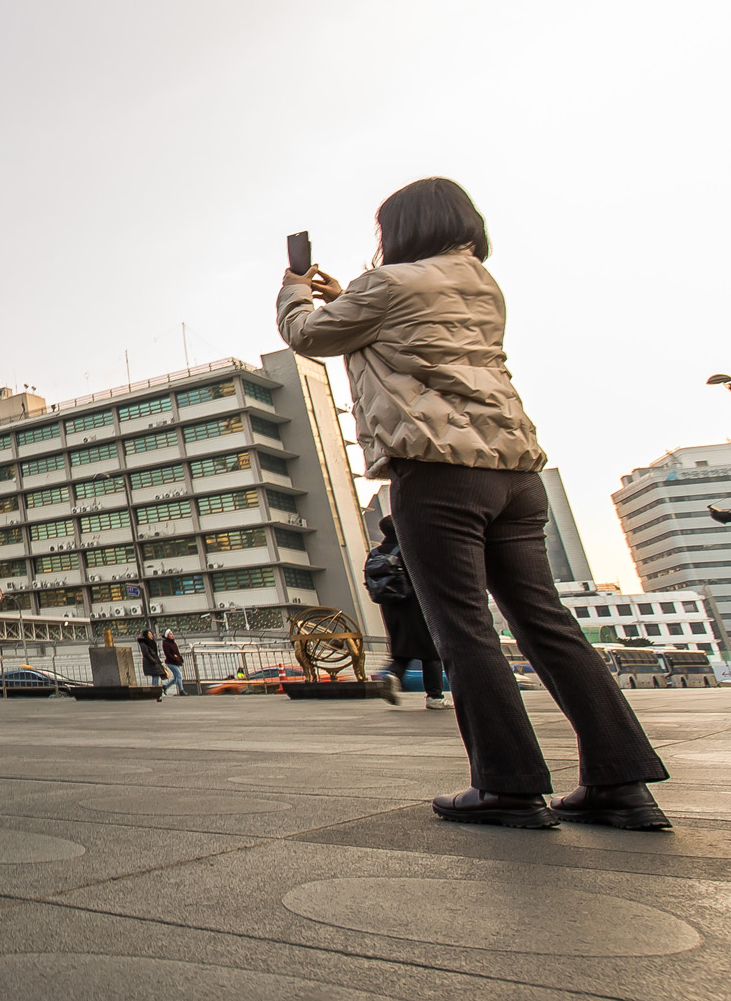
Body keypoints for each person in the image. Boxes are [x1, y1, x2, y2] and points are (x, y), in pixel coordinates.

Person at [278, 178, 668, 829]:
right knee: (548, 625)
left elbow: (308, 335)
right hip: (514, 473)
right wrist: (350, 297)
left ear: (403, 228)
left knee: (464, 629)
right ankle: (621, 783)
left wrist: (295, 287)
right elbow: (419, 338)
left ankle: (508, 787)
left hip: (439, 474)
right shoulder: (481, 284)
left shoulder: (389, 284)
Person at [363, 516, 449, 710]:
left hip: (390, 608)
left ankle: (393, 675)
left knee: (402, 649)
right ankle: (435, 697)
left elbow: (370, 582)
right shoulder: (408, 549)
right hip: (415, 605)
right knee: (431, 652)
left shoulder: (375, 552)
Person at [136, 626, 167, 698]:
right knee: (155, 675)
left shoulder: (152, 642)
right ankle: (154, 691)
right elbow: (146, 653)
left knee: (156, 676)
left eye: (151, 634)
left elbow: (155, 653)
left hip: (154, 661)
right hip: (151, 662)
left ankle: (155, 691)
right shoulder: (144, 643)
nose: (151, 635)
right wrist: (153, 661)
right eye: (149, 634)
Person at [161, 629, 186, 696]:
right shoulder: (166, 643)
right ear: (167, 636)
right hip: (170, 662)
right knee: (179, 675)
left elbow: (177, 652)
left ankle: (165, 686)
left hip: (175, 662)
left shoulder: (173, 643)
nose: (172, 635)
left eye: (172, 634)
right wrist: (176, 659)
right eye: (170, 634)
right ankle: (181, 690)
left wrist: (180, 659)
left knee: (175, 678)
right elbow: (168, 654)